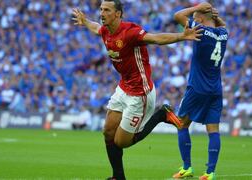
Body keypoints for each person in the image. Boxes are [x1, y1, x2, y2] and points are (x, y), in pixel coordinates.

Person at [72, 0, 202, 179]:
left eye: (107, 10)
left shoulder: (130, 32)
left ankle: (161, 114)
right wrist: (85, 21)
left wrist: (181, 36)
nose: (102, 13)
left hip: (140, 93)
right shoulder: (105, 31)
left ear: (117, 14)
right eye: (101, 9)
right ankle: (118, 177)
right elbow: (95, 28)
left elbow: (155, 38)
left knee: (121, 142)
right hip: (123, 87)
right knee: (108, 131)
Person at [171, 2, 228, 180]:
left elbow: (178, 15)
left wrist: (197, 7)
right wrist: (214, 14)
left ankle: (187, 167)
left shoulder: (201, 29)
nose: (192, 18)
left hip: (197, 87)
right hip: (215, 89)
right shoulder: (224, 33)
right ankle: (210, 172)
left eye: (195, 17)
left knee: (181, 124)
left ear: (201, 18)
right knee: (213, 130)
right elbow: (222, 24)